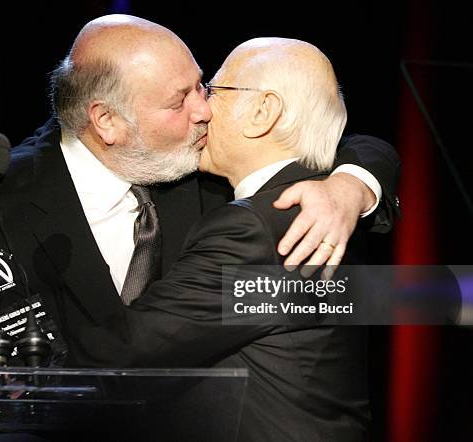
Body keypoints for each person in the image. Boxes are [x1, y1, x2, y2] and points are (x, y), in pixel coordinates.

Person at [0, 15, 399, 366]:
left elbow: (354, 142)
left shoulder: (205, 163)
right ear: (108, 122)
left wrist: (352, 185)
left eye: (202, 85)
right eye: (179, 99)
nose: (204, 109)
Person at [58, 36, 371, 441]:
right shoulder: (329, 205)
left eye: (215, 91)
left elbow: (129, 349)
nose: (202, 109)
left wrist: (1, 361)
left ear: (263, 112)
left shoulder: (257, 229)